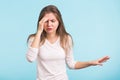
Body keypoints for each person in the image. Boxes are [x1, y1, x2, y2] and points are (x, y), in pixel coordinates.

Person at [26, 5, 110, 80]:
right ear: (40, 22)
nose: (49, 24)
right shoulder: (34, 39)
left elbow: (71, 64)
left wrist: (91, 63)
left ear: (59, 22)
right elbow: (30, 59)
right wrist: (39, 31)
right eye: (46, 21)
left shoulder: (66, 38)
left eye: (53, 21)